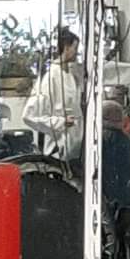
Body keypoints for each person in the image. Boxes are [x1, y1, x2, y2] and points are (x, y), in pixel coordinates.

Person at [23, 27, 83, 163]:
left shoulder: (71, 75)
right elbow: (29, 116)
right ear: (66, 47)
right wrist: (60, 122)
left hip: (75, 149)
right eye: (75, 48)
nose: (76, 52)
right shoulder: (50, 78)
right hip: (58, 150)